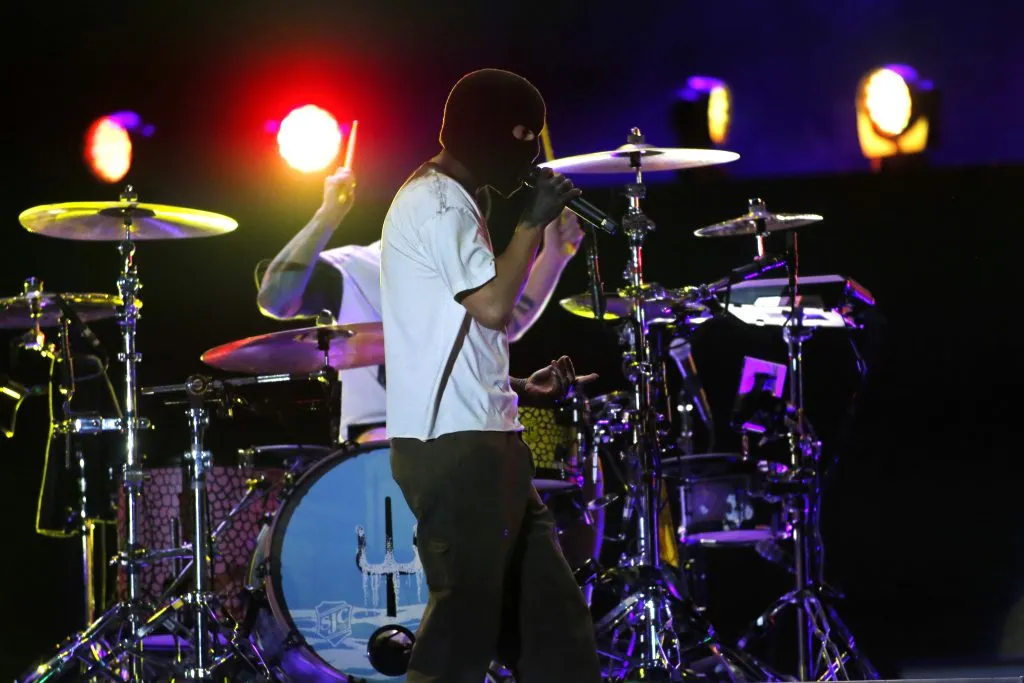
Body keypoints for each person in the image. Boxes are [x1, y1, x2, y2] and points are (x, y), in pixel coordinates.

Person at [379, 68, 602, 683]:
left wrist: (517, 386)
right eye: (523, 139)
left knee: (554, 631)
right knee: (460, 637)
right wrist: (532, 223)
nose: (529, 155)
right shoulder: (437, 200)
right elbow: (494, 306)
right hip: (455, 448)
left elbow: (481, 327)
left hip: (486, 437)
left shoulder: (455, 199)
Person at [257, 167, 584, 444]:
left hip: (459, 439)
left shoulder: (461, 276)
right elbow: (276, 299)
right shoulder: (353, 268)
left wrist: (555, 255)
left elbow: (505, 325)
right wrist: (327, 215)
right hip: (378, 442)